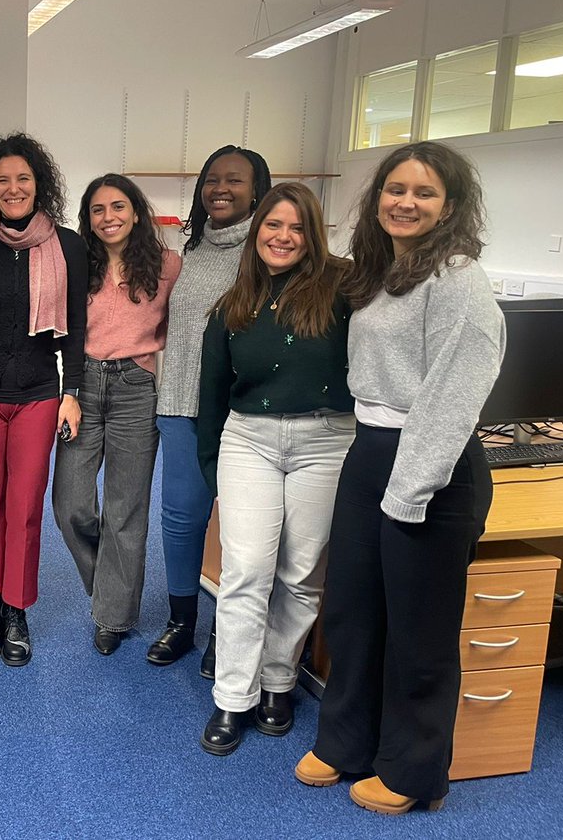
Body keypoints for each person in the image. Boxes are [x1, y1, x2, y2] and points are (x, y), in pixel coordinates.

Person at [295, 142, 504, 814]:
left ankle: (414, 774)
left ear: (451, 205)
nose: (405, 202)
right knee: (354, 610)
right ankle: (347, 742)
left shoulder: (459, 282)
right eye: (395, 189)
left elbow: (450, 401)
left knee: (419, 629)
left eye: (424, 193)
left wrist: (408, 493)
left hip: (431, 468)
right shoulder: (383, 272)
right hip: (370, 450)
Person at [194, 182, 354, 756]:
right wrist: (214, 472)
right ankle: (232, 697)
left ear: (312, 236)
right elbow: (210, 397)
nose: (282, 237)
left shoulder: (342, 291)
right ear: (255, 232)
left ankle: (277, 682)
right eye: (272, 226)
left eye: (295, 228)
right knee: (246, 570)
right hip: (249, 442)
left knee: (302, 572)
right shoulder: (232, 305)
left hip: (326, 440)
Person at [0, 133, 87, 667]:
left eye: (23, 179)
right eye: (2, 180)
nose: (13, 189)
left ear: (40, 185)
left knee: (26, 507)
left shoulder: (67, 245)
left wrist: (73, 391)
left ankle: (17, 610)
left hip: (39, 395)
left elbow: (75, 326)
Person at [149, 145, 272, 671]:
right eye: (212, 179)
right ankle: (182, 621)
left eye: (235, 180)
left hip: (240, 414)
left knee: (242, 528)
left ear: (256, 191)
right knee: (181, 518)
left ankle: (228, 632)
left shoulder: (268, 252)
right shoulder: (191, 251)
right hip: (179, 402)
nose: (221, 188)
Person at [52, 174, 181, 655]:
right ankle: (109, 584)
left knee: (126, 511)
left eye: (118, 207)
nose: (109, 218)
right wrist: (66, 388)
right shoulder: (75, 265)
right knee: (70, 506)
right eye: (98, 210)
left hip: (135, 389)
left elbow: (182, 324)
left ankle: (113, 615)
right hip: (82, 388)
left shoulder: (167, 266)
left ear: (136, 211)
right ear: (87, 218)